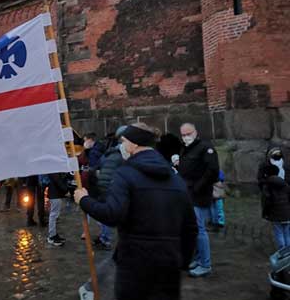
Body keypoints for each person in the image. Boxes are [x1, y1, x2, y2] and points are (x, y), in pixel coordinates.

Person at [74, 123, 198, 300]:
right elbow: (191, 228)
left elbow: (112, 214)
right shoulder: (175, 179)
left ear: (133, 144)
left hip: (135, 264)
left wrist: (84, 200)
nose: (122, 146)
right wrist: (182, 262)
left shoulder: (125, 174)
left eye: (124, 141)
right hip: (169, 265)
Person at [178, 122, 219, 277]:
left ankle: (205, 264)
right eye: (183, 134)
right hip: (187, 195)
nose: (186, 137)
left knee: (199, 230)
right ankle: (197, 258)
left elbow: (212, 171)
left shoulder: (205, 148)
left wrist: (197, 187)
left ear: (195, 132)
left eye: (189, 133)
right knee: (192, 230)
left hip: (199, 195)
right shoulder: (186, 148)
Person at [92, 129, 125, 250]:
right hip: (112, 186)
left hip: (102, 185)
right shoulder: (123, 154)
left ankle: (104, 237)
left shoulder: (109, 152)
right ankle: (105, 239)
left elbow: (97, 166)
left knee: (105, 213)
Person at [259, 163, 290, 250]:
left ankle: (282, 251)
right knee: (287, 232)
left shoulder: (267, 186)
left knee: (279, 232)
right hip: (287, 214)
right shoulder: (285, 184)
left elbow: (266, 202)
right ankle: (288, 252)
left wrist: (265, 213)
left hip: (275, 214)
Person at [47, 172, 69, 246]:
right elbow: (57, 180)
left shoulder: (53, 170)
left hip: (55, 194)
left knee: (54, 215)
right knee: (53, 215)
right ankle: (52, 236)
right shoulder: (53, 170)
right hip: (55, 194)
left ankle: (53, 234)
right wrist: (65, 190)